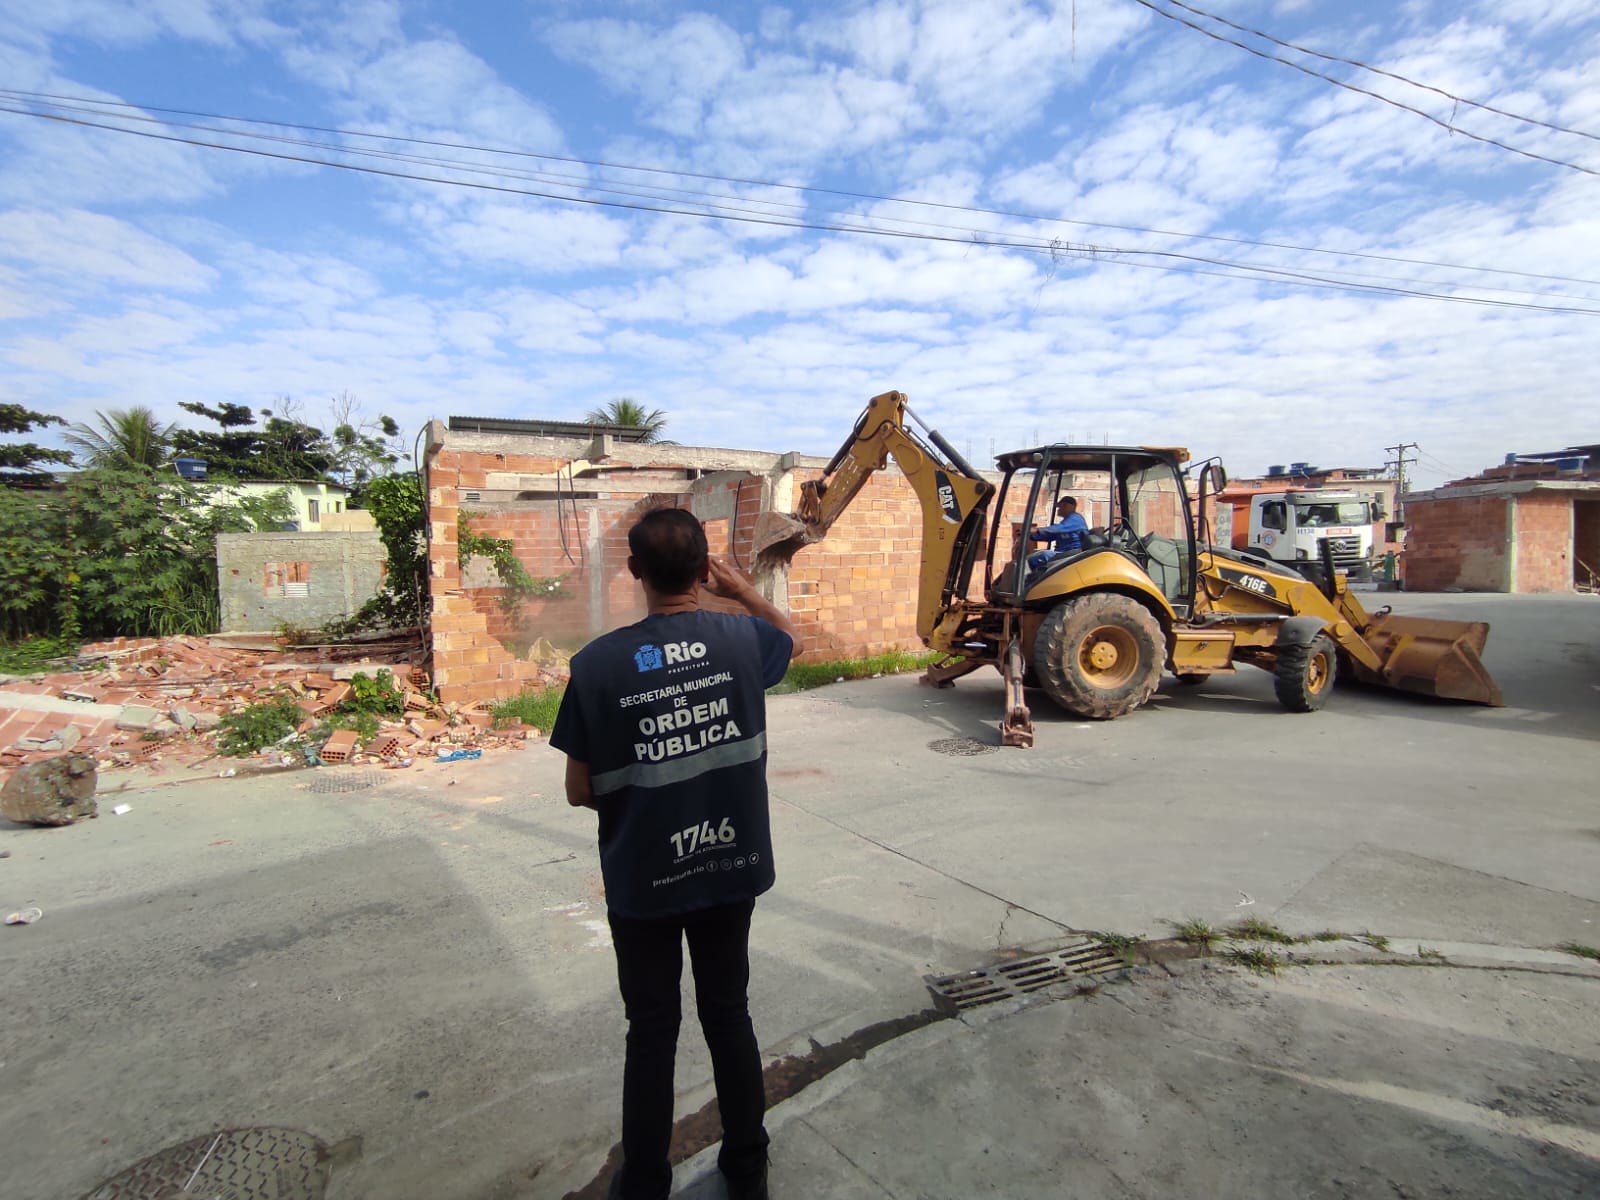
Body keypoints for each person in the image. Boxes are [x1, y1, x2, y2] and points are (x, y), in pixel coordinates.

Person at [551, 507, 797, 1200]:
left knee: (652, 1030)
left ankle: (644, 1184)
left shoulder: (595, 666)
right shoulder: (744, 640)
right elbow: (792, 639)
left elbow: (578, 790)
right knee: (728, 1013)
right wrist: (742, 589)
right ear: (703, 568)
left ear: (635, 570)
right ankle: (746, 1168)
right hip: (730, 866)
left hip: (644, 880)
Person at [1027, 496, 1089, 571]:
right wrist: (1031, 536)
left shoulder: (1075, 518)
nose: (1058, 510)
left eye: (1060, 507)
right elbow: (1052, 536)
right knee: (1033, 557)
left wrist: (1036, 530)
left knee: (1042, 556)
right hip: (1063, 553)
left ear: (1068, 506)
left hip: (1071, 553)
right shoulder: (1067, 521)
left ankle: (1032, 577)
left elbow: (1058, 528)